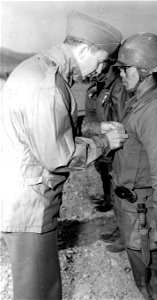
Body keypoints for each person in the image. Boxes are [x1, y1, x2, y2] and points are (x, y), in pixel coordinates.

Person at [0, 11, 128, 300]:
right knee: (40, 292)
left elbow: (48, 124)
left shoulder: (40, 69)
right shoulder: (47, 84)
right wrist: (105, 142)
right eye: (100, 60)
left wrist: (93, 125)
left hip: (24, 198)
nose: (99, 70)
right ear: (83, 49)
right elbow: (59, 157)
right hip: (29, 207)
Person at [112, 33, 157, 300]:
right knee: (145, 282)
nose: (120, 75)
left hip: (147, 219)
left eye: (125, 69)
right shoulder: (139, 105)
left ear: (144, 70)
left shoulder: (153, 113)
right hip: (134, 213)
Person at [81, 53, 128, 252]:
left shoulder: (119, 86)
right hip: (108, 146)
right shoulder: (100, 86)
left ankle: (128, 235)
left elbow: (121, 121)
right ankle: (122, 228)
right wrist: (97, 130)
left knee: (122, 191)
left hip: (119, 147)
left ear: (107, 62)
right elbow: (90, 117)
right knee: (114, 189)